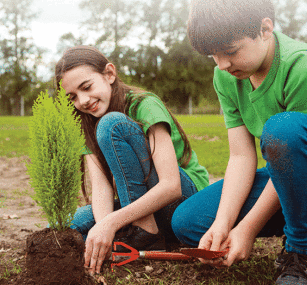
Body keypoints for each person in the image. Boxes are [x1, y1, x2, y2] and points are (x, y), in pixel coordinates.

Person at [171, 0, 307, 284]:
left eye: (230, 51)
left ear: (265, 29)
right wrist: (223, 224)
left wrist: (247, 228)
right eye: (213, 55)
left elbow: (291, 139)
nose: (222, 64)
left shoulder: (304, 66)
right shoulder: (226, 77)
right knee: (188, 222)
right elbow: (241, 157)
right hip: (291, 172)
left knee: (283, 129)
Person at [55, 46, 209, 275]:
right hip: (143, 206)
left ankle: (145, 231)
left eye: (86, 87)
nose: (83, 100)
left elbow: (171, 186)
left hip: (185, 204)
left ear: (109, 74)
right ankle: (145, 234)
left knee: (111, 124)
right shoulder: (86, 121)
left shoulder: (144, 104)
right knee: (72, 224)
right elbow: (101, 187)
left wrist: (111, 223)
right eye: (73, 97)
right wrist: (103, 230)